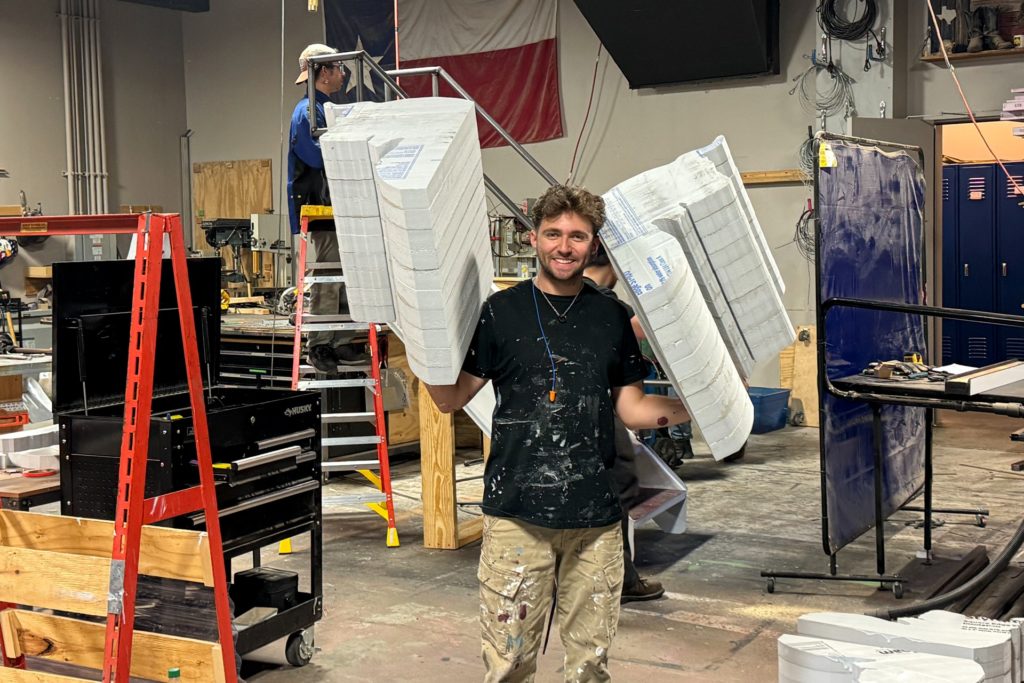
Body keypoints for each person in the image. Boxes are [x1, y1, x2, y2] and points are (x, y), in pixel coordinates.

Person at [423, 185, 690, 682]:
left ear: (593, 244)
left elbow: (632, 409)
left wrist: (700, 406)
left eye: (577, 236)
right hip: (517, 516)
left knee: (589, 667)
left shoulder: (611, 317)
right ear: (534, 238)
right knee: (510, 664)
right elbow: (449, 398)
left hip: (597, 519)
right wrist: (423, 335)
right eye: (553, 234)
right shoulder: (501, 313)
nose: (564, 246)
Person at [581, 245, 665, 604]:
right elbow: (638, 329)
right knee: (619, 486)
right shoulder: (609, 306)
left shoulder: (561, 296)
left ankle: (607, 577)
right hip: (598, 411)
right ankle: (619, 579)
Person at [288, 43, 368, 372]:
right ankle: (320, 344)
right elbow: (317, 155)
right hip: (320, 206)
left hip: (338, 204)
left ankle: (341, 340)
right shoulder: (307, 110)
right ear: (324, 72)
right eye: (338, 69)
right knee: (326, 274)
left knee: (347, 273)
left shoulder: (327, 108)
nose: (343, 74)